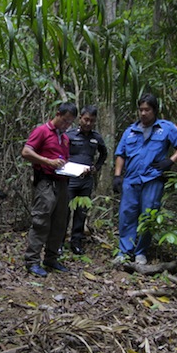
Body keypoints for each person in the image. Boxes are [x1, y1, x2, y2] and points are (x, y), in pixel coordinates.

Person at [112, 93, 177, 265]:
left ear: (154, 110)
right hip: (131, 179)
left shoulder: (166, 127)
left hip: (153, 178)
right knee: (127, 214)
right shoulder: (130, 131)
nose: (143, 113)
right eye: (141, 110)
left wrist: (170, 160)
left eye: (147, 110)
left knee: (148, 215)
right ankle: (124, 251)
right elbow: (120, 154)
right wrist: (117, 175)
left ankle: (141, 252)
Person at [22, 102, 79, 277]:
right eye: (65, 121)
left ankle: (51, 258)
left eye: (70, 123)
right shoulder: (42, 131)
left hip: (62, 183)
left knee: (59, 222)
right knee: (41, 221)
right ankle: (32, 261)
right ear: (58, 114)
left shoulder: (65, 138)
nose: (66, 125)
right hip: (46, 182)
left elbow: (64, 160)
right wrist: (48, 161)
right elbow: (26, 152)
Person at [64, 105, 107, 255]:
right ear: (80, 118)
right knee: (65, 211)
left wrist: (97, 167)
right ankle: (59, 242)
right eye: (86, 119)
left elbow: (104, 153)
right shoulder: (69, 135)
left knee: (81, 212)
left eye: (92, 121)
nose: (88, 123)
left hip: (86, 180)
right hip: (69, 179)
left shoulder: (96, 138)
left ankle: (76, 242)